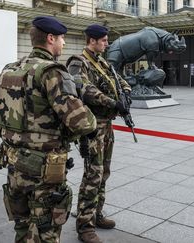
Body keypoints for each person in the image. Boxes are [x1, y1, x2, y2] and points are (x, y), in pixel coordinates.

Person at [0, 16, 97, 243]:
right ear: (50, 39)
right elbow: (81, 121)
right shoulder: (52, 72)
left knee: (22, 226)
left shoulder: (10, 69)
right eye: (62, 39)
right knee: (46, 230)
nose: (64, 44)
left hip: (13, 164)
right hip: (43, 169)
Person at [66, 24, 132, 243]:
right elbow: (83, 89)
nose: (106, 43)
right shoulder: (78, 62)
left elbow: (118, 81)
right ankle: (85, 226)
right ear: (91, 41)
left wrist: (126, 94)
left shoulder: (103, 62)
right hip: (93, 127)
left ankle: (96, 214)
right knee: (92, 174)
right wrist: (112, 102)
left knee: (104, 172)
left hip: (107, 125)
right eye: (103, 40)